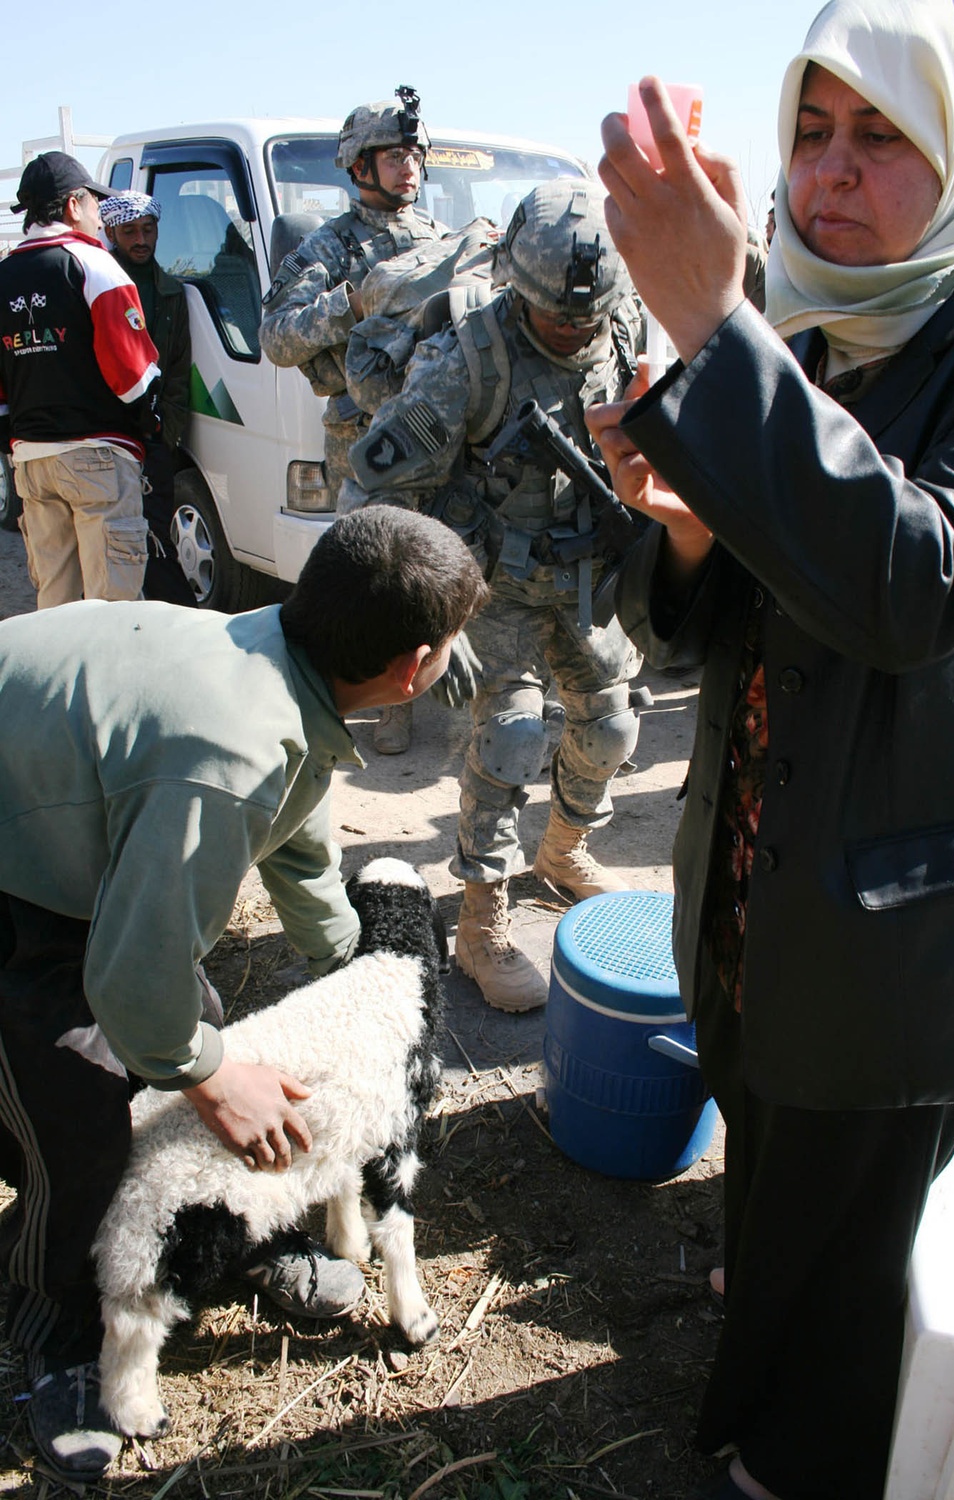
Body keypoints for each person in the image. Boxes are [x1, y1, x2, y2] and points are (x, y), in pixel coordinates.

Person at [587, 1, 954, 1495]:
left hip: (893, 909)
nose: (832, 172)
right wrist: (693, 525)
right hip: (760, 880)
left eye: (883, 133)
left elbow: (922, 584)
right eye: (811, 132)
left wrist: (717, 326)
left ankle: (808, 1458)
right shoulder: (816, 330)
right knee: (772, 1157)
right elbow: (703, 632)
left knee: (854, 1234)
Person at [0, 505, 488, 1484]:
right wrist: (214, 1079)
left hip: (62, 816)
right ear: (414, 665)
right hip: (14, 872)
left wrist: (348, 966)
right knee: (76, 1124)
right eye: (454, 646)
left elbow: (295, 833)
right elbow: (133, 984)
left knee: (200, 1036)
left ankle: (215, 1236)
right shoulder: (225, 759)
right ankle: (55, 1337)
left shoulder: (283, 660)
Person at [344, 178, 645, 1013]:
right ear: (517, 285)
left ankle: (564, 851)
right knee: (512, 738)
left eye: (585, 318)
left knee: (614, 726)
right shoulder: (465, 360)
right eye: (556, 316)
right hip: (491, 586)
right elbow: (371, 496)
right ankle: (482, 922)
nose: (573, 330)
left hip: (586, 572)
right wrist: (437, 613)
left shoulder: (618, 327)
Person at [260, 85, 443, 755]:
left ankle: (446, 684)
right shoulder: (328, 248)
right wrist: (350, 304)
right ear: (359, 167)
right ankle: (381, 703)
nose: (409, 168)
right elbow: (277, 337)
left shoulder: (439, 241)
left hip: (442, 428)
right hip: (363, 436)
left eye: (415, 156)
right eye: (394, 156)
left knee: (448, 560)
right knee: (374, 576)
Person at [0, 152, 159, 610]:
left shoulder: (4, 274)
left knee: (56, 609)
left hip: (31, 462)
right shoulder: (93, 264)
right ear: (73, 205)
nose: (97, 215)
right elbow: (134, 378)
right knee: (113, 610)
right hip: (98, 460)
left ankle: (60, 684)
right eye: (93, 203)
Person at [101, 191, 196, 606]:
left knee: (156, 535)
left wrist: (166, 432)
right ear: (111, 232)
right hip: (108, 435)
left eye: (148, 229)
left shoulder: (171, 291)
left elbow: (177, 367)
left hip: (153, 437)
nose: (140, 239)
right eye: (130, 231)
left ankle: (171, 619)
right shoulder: (100, 284)